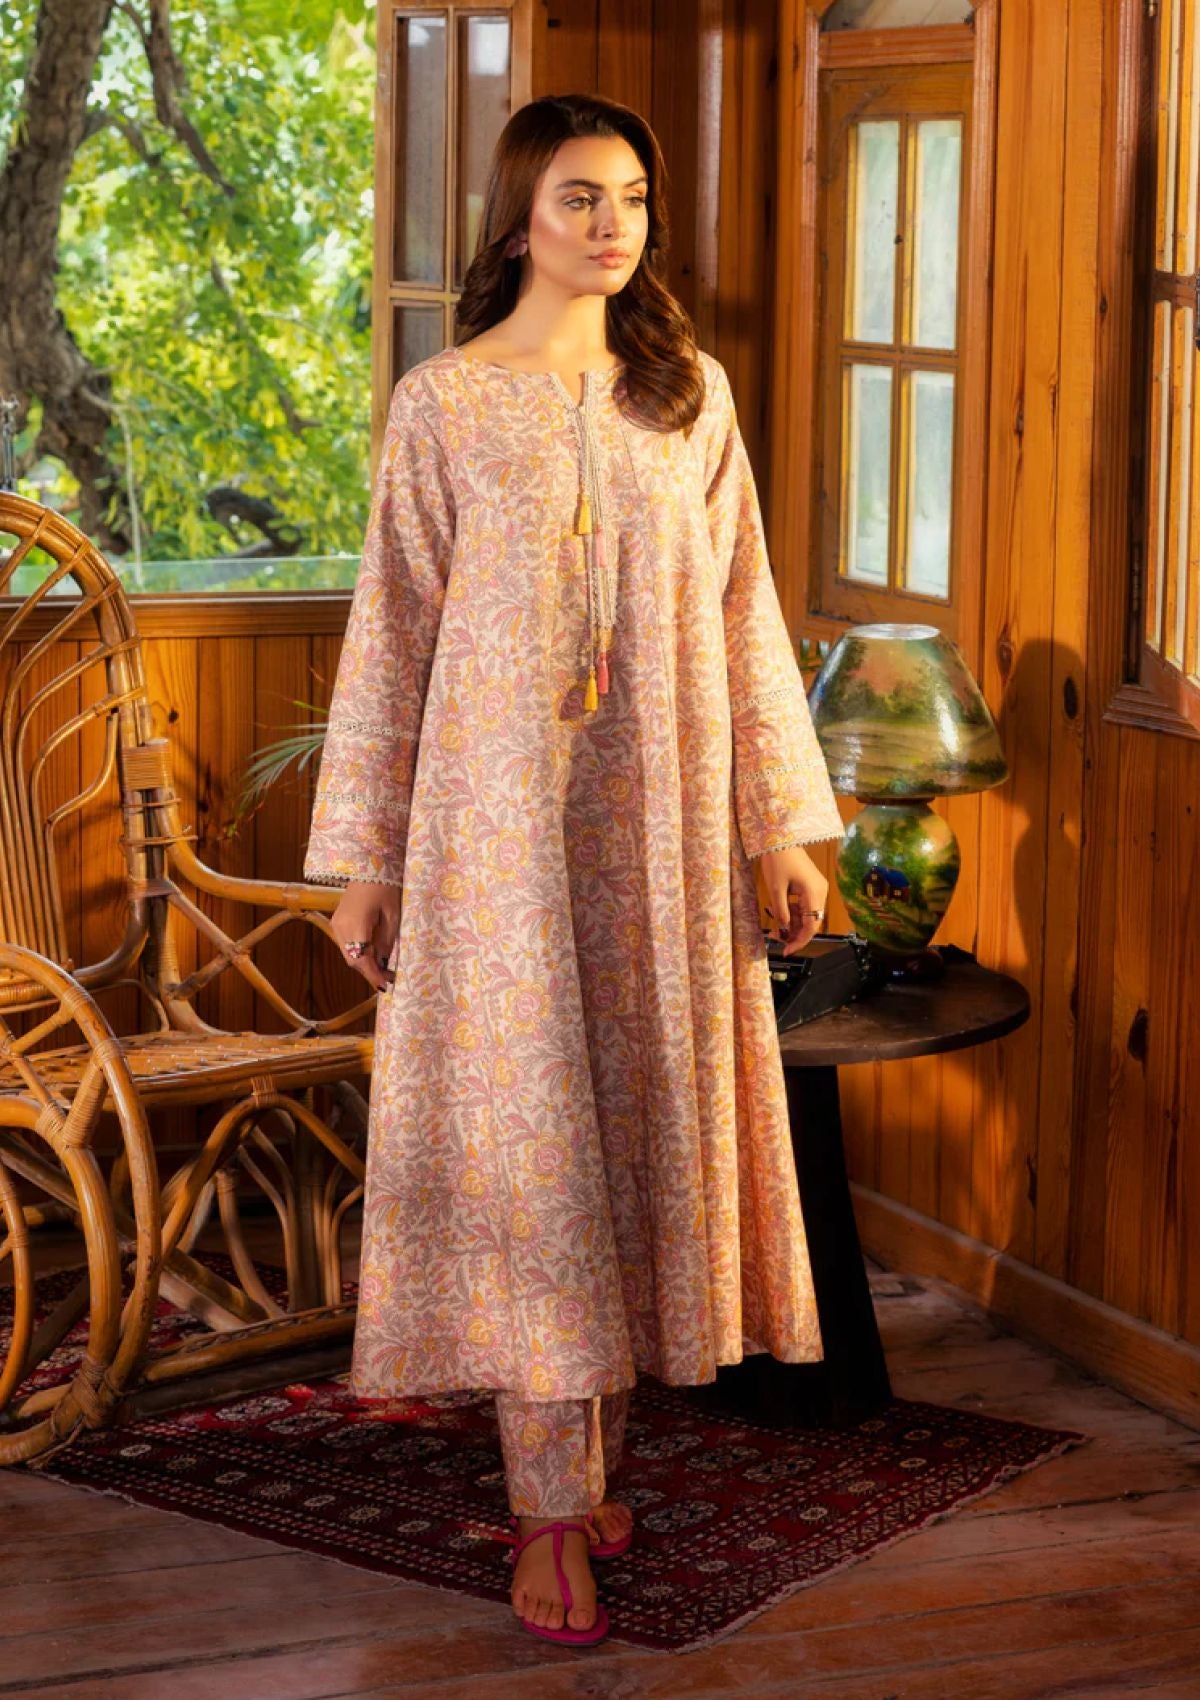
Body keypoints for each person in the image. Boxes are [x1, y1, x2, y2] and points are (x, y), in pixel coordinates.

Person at [302, 92, 845, 1646]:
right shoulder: (444, 406)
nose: (612, 226)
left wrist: (779, 824)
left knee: (630, 1134)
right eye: (578, 198)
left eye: (631, 199)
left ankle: (588, 1457)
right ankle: (549, 1507)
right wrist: (368, 860)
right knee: (537, 1148)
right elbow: (391, 636)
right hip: (499, 845)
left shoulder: (689, 398)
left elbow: (745, 613)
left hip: (662, 833)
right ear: (520, 218)